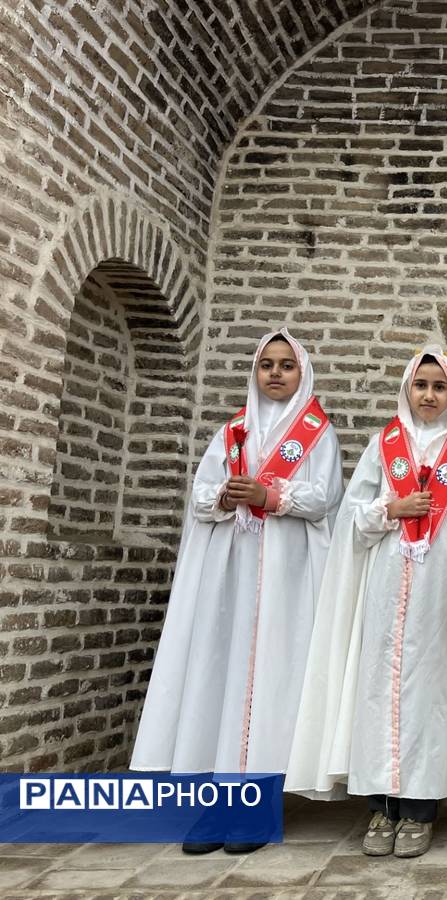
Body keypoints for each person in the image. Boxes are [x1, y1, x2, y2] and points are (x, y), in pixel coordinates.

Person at [131, 328, 344, 854]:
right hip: (231, 578)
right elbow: (201, 493)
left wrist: (270, 494)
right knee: (221, 681)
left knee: (273, 683)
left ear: (302, 373)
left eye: (286, 365)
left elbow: (325, 497)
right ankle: (216, 801)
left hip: (287, 581)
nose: (275, 373)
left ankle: (259, 803)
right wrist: (226, 497)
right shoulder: (232, 433)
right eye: (266, 364)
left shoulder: (317, 434)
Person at [285, 347, 447, 860]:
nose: (429, 395)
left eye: (439, 387)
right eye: (421, 385)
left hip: (441, 592)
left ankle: (420, 808)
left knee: (431, 699)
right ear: (406, 389)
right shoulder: (385, 445)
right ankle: (381, 805)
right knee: (378, 693)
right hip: (384, 588)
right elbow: (352, 516)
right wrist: (391, 508)